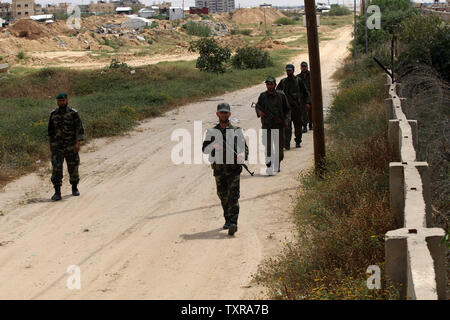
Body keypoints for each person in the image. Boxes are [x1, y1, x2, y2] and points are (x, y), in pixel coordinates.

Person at [202, 103, 248, 236]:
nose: (224, 114)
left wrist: (242, 155)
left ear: (229, 114)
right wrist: (213, 145)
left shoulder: (236, 130)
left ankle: (234, 222)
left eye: (226, 112)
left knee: (233, 196)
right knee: (223, 196)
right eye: (221, 112)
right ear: (217, 114)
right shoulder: (211, 132)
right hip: (219, 169)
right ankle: (227, 220)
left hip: (233, 169)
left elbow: (244, 147)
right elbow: (205, 150)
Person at [48, 93, 85, 201]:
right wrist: (50, 144)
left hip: (70, 145)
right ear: (57, 102)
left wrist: (77, 143)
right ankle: (57, 192)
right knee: (56, 169)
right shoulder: (53, 114)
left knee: (73, 167)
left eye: (63, 100)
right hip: (57, 147)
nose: (61, 102)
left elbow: (79, 129)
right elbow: (50, 132)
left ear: (67, 100)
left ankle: (74, 187)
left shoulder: (73, 113)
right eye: (59, 101)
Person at [255, 76, 291, 174]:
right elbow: (258, 106)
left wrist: (286, 121)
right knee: (268, 147)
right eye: (268, 84)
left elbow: (287, 110)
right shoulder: (262, 96)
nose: (269, 86)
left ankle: (277, 163)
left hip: (278, 126)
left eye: (271, 84)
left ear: (275, 84)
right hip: (267, 126)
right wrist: (259, 112)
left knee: (279, 149)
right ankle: (269, 165)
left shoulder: (281, 95)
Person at [276, 64, 311, 149]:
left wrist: (307, 103)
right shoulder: (283, 82)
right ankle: (286, 143)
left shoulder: (298, 81)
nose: (288, 72)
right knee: (287, 126)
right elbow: (277, 93)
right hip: (287, 109)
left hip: (297, 108)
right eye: (287, 70)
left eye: (290, 70)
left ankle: (298, 141)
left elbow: (306, 93)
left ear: (293, 70)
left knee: (298, 126)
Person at [297, 61, 313, 131]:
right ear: (300, 68)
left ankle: (311, 124)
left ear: (307, 67)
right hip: (302, 96)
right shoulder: (298, 77)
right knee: (303, 112)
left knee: (311, 111)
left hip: (311, 95)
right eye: (302, 67)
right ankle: (304, 126)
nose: (303, 68)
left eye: (305, 67)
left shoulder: (311, 75)